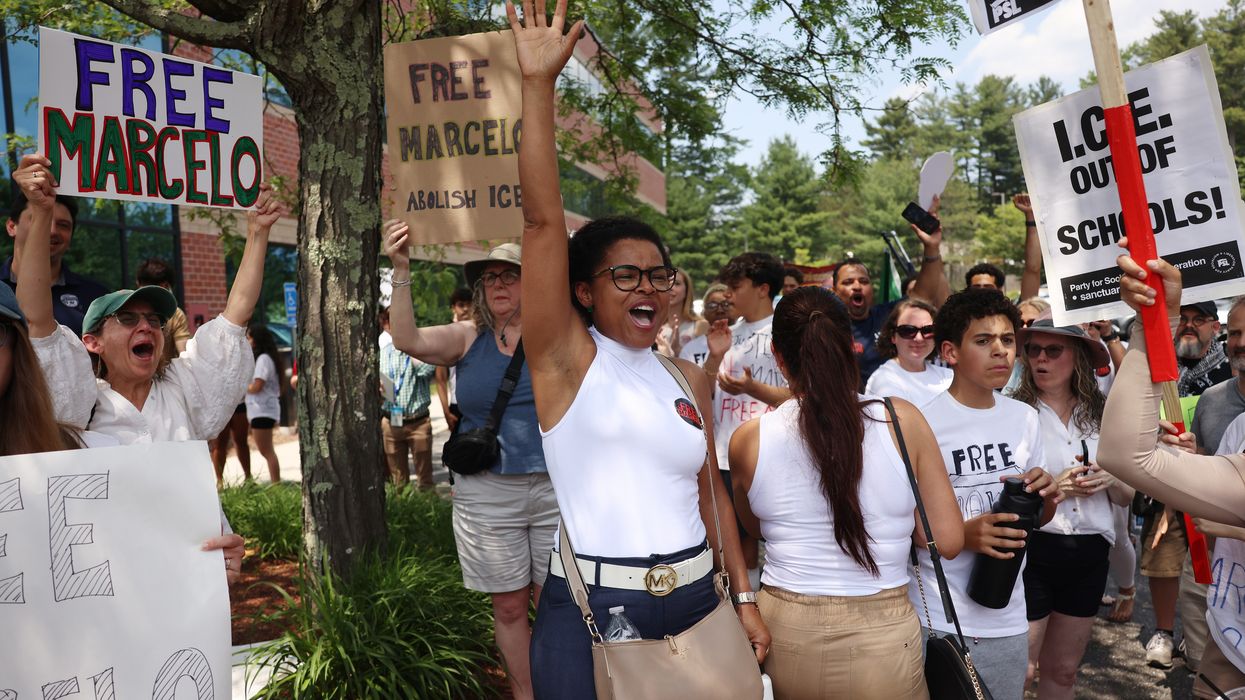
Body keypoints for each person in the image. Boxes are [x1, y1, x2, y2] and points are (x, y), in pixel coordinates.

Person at [505, 4, 768, 696]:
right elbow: (539, 223)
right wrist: (537, 87)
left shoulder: (682, 374)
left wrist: (741, 596)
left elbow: (710, 490)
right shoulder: (565, 360)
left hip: (698, 604)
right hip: (594, 612)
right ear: (584, 291)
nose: (646, 286)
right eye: (625, 274)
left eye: (658, 273)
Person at [12, 153, 250, 585]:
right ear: (92, 342)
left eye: (154, 320)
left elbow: (234, 318)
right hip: (115, 597)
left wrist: (259, 232)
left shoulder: (181, 391)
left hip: (192, 589)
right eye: (127, 319)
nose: (146, 326)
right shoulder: (82, 409)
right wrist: (43, 211)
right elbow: (36, 318)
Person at [729, 286, 963, 699]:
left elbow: (755, 527)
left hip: (784, 630)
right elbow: (945, 541)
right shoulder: (901, 421)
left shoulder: (749, 440)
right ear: (849, 348)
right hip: (884, 632)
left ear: (780, 359)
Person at [384, 232, 554, 700]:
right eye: (490, 277)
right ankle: (526, 695)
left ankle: (564, 686)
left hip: (556, 490)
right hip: (487, 494)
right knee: (510, 608)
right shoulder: (469, 337)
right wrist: (401, 268)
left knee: (557, 603)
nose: (499, 284)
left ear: (532, 282)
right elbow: (406, 338)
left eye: (511, 276)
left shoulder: (558, 333)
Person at [1098, 247, 1245, 696]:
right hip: (1230, 638)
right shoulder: (1238, 423)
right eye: (1238, 333)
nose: (1241, 344)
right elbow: (1129, 455)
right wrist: (1150, 323)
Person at [916, 288, 1059, 700]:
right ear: (950, 351)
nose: (1000, 351)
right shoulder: (922, 421)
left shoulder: (1025, 418)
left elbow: (1038, 521)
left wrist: (1046, 499)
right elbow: (903, 525)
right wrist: (964, 535)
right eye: (983, 341)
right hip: (940, 617)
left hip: (1007, 614)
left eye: (1008, 340)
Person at [1010, 317, 1133, 699]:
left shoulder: (1104, 413)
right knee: (1022, 671)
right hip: (1034, 550)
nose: (1040, 359)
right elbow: (999, 487)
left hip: (1090, 551)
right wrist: (1051, 486)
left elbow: (1128, 497)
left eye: (1053, 350)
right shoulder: (1013, 412)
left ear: (1077, 357)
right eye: (1033, 350)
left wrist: (1112, 478)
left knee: (1063, 673)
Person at [1135, 297, 1230, 668]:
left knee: (1211, 564)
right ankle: (1164, 632)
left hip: (1214, 483)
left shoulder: (1228, 374)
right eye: (1183, 319)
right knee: (1163, 558)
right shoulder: (1158, 371)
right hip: (1162, 479)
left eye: (1199, 319)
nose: (1189, 325)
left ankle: (1204, 634)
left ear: (1215, 327)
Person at [704, 251, 792, 583]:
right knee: (731, 540)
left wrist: (753, 389)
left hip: (770, 452)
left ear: (762, 288)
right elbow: (704, 393)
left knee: (762, 536)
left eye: (735, 285)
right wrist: (714, 358)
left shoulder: (784, 330)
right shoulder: (727, 331)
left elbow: (801, 396)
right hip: (724, 454)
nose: (728, 294)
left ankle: (758, 605)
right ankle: (741, 607)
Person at [831, 205, 950, 386]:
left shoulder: (888, 316)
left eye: (863, 281)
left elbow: (923, 296)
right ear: (834, 290)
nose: (857, 286)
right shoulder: (827, 328)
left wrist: (931, 248)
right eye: (848, 282)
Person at [3, 190, 107, 336]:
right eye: (39, 220)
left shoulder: (97, 298)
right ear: (12, 226)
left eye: (63, 225)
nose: (52, 230)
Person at [380, 321, 436, 490]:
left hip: (418, 423)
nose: (393, 324)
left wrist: (410, 346)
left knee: (425, 481)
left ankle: (428, 513)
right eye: (388, 320)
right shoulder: (382, 353)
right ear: (384, 325)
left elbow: (426, 370)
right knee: (398, 484)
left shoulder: (420, 350)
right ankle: (403, 514)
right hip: (391, 423)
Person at [865, 298, 952, 406]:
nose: (919, 338)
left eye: (928, 330)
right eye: (908, 330)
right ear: (893, 336)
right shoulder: (884, 381)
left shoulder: (949, 376)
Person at [246, 323, 284, 483]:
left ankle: (276, 486)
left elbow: (257, 386)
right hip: (263, 410)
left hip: (262, 410)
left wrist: (240, 386)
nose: (247, 341)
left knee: (267, 451)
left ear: (256, 340)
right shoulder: (269, 358)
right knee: (267, 451)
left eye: (249, 338)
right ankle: (276, 484)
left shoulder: (263, 359)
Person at [135, 257, 192, 363]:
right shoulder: (126, 310)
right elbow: (184, 355)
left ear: (138, 282)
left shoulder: (175, 314)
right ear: (166, 286)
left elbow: (185, 355)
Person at [435, 286, 474, 435]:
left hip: (481, 404)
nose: (465, 309)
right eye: (461, 305)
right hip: (457, 406)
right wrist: (446, 411)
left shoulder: (483, 333)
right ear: (453, 308)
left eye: (469, 304)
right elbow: (440, 379)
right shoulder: (446, 335)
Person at [678, 283, 733, 366]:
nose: (719, 310)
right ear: (704, 312)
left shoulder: (749, 343)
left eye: (725, 304)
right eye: (712, 305)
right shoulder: (690, 349)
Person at [656, 269, 704, 357]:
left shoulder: (700, 325)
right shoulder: (655, 326)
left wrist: (678, 351)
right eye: (666, 283)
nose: (670, 288)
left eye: (677, 283)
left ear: (687, 290)